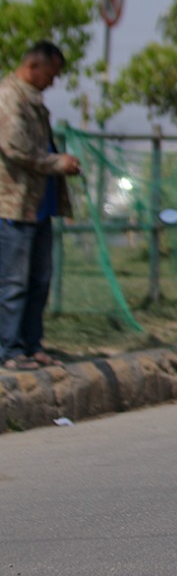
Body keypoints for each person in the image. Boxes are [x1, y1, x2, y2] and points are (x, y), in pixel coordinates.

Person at [0, 41, 81, 371]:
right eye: (51, 73)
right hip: (14, 206)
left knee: (39, 280)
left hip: (39, 207)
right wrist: (56, 163)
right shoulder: (9, 96)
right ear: (34, 66)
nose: (53, 81)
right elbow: (15, 147)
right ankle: (9, 349)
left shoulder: (34, 101)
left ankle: (32, 345)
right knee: (13, 282)